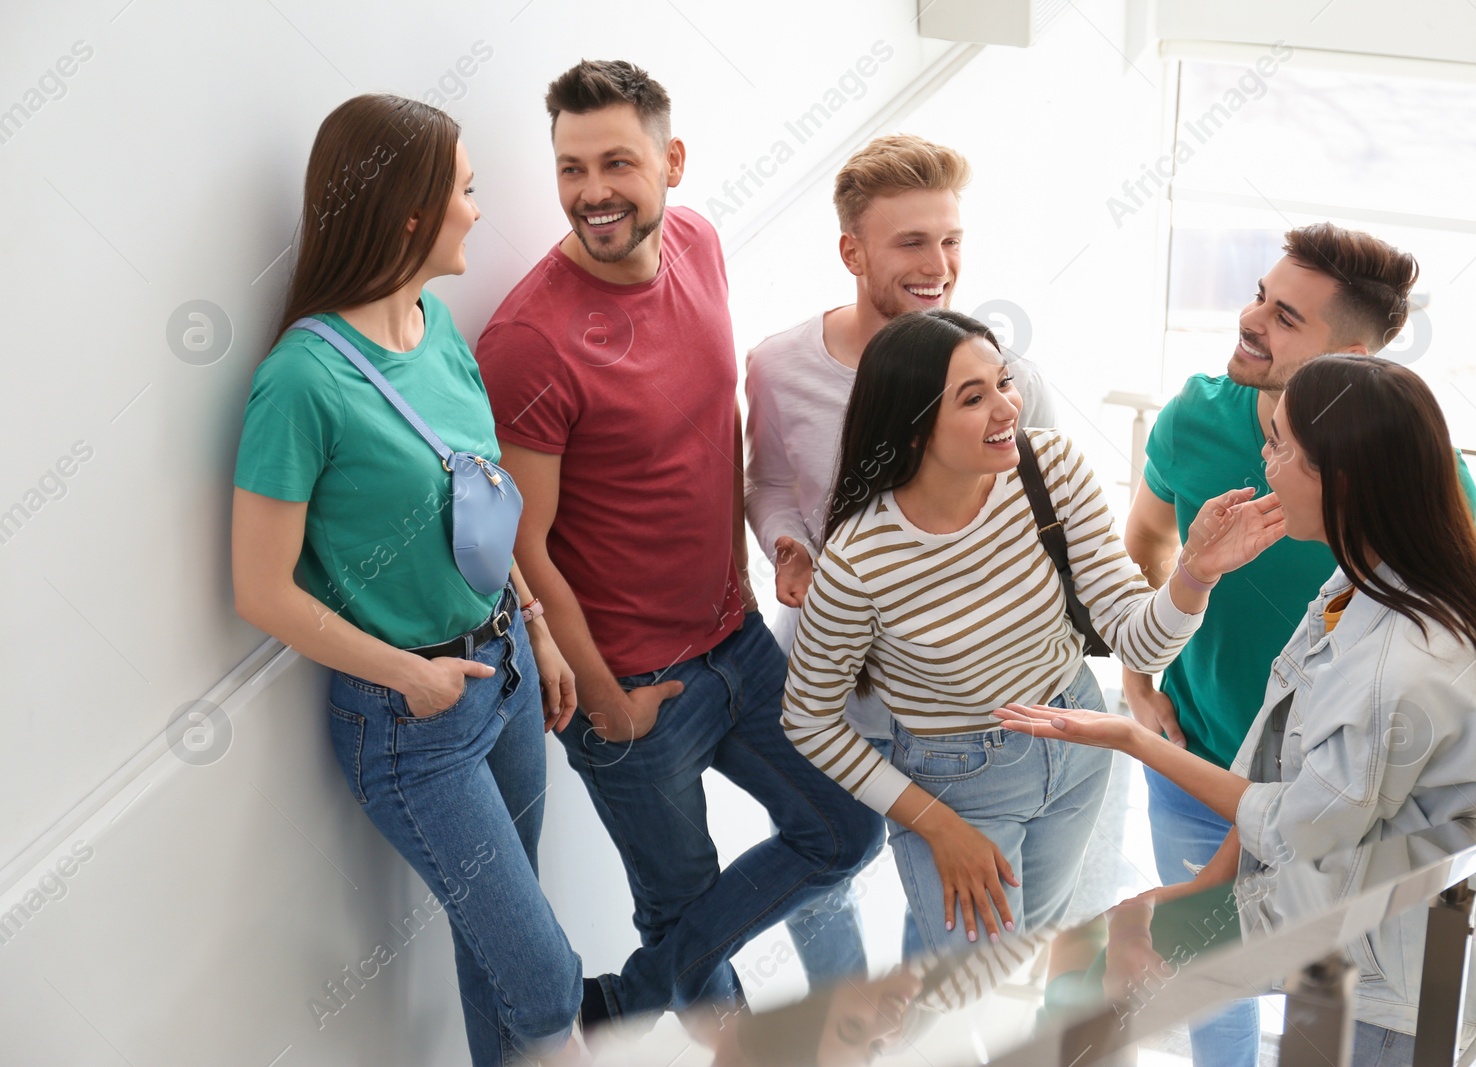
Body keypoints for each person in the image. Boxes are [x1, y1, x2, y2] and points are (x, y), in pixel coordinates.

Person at [474, 59, 882, 1028]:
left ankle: (624, 999)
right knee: (681, 901)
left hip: (736, 637)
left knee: (845, 825)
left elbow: (716, 433)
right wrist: (603, 698)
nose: (592, 192)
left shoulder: (698, 242)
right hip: (630, 681)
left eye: (617, 161)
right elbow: (523, 549)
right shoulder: (531, 340)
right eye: (571, 168)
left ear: (673, 162)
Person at [999, 355, 1476, 1063]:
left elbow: (1302, 827)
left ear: (1335, 479)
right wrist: (1203, 886)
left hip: (1389, 980)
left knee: (1109, 949)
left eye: (1278, 444)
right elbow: (1276, 746)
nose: (1263, 460)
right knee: (1102, 937)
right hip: (1343, 921)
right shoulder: (1358, 580)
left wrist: (1136, 740)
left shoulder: (1399, 664)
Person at [1117, 223, 1476, 1066]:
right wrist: (1141, 679)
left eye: (1286, 317)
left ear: (1349, 356)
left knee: (1329, 991)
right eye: (1259, 296)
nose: (1252, 322)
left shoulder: (1409, 468)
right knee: (1214, 978)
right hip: (1202, 754)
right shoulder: (1190, 418)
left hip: (1348, 804)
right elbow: (1144, 542)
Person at [231, 94, 584, 1065]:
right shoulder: (300, 382)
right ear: (410, 213)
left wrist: (538, 627)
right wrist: (409, 675)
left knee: (498, 958)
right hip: (412, 720)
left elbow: (486, 491)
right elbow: (262, 590)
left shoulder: (436, 329)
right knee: (548, 976)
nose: (479, 208)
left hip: (505, 671)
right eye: (465, 191)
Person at [782, 308, 1284, 955]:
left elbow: (1137, 643)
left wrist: (1195, 572)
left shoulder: (1049, 468)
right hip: (959, 782)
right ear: (911, 430)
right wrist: (938, 826)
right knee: (974, 986)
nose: (1006, 408)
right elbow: (808, 718)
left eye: (1003, 382)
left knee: (1018, 967)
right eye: (973, 397)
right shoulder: (859, 558)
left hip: (1075, 745)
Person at [744, 133, 1058, 983]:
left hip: (953, 694)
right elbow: (768, 477)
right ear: (852, 250)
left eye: (951, 239)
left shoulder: (1002, 373)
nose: (939, 265)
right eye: (912, 242)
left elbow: (1039, 524)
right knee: (821, 859)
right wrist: (786, 540)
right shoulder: (778, 365)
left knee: (949, 888)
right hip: (829, 673)